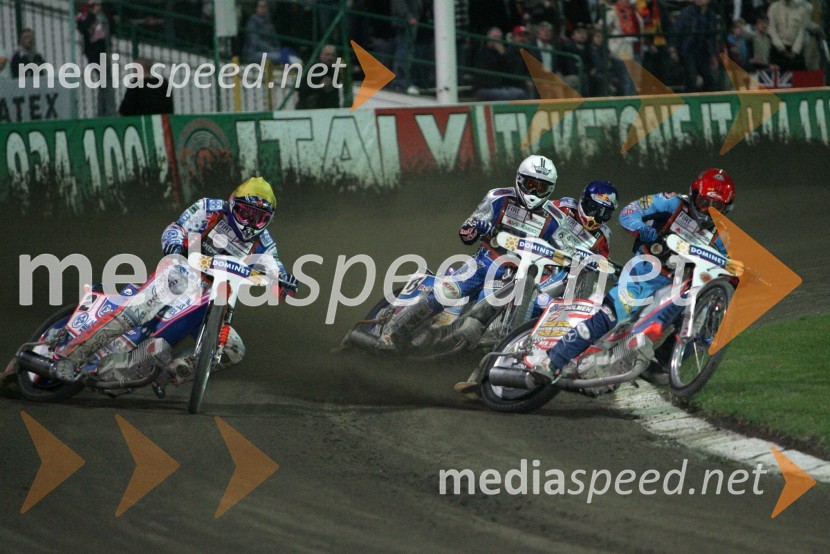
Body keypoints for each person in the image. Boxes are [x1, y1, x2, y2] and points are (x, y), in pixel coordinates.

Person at [49, 177, 300, 384]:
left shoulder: (264, 242)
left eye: (259, 218)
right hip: (182, 270)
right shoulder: (210, 208)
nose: (250, 224)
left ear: (268, 220)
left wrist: (284, 283)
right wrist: (173, 244)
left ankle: (178, 368)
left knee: (234, 349)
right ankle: (69, 357)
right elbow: (177, 228)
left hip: (213, 298)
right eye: (246, 214)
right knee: (138, 309)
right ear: (233, 204)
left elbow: (274, 267)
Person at [378, 155, 618, 353]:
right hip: (485, 262)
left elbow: (561, 253)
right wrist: (478, 228)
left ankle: (497, 350)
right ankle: (394, 332)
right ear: (519, 180)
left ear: (550, 189)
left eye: (542, 187)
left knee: (523, 304)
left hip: (516, 276)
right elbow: (466, 233)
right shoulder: (498, 198)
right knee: (448, 291)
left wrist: (579, 261)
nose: (534, 191)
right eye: (530, 184)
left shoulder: (556, 220)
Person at [534, 168, 736, 386]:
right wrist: (641, 229)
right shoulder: (671, 202)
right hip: (645, 271)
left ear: (727, 208)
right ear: (694, 194)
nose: (707, 210)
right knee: (612, 315)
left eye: (716, 206)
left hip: (678, 285)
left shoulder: (723, 235)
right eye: (704, 202)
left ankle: (659, 362)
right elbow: (629, 211)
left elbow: (725, 266)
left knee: (700, 316)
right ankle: (552, 361)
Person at [675, 0, 719, 92]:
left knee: (710, 79)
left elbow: (712, 38)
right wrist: (676, 51)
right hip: (689, 51)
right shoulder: (687, 13)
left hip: (704, 52)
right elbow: (678, 32)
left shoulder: (711, 15)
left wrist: (713, 55)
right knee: (691, 78)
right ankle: (690, 101)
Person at [474, 27, 528, 100]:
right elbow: (483, 76)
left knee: (520, 92)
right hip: (484, 88)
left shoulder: (501, 53)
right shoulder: (481, 52)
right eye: (494, 37)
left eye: (499, 37)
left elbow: (510, 70)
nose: (497, 40)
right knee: (506, 95)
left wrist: (503, 54)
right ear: (488, 37)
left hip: (500, 87)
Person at [297, 44, 341, 110]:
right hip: (309, 108)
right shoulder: (311, 69)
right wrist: (320, 86)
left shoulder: (334, 72)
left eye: (333, 55)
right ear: (321, 55)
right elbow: (302, 90)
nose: (330, 58)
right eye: (327, 55)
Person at [767, 0, 807, 71]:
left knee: (804, 79)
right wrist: (782, 49)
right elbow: (772, 30)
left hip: (795, 51)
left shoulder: (801, 10)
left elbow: (801, 32)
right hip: (778, 50)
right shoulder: (774, 8)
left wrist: (795, 51)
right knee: (776, 79)